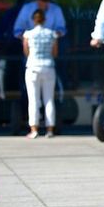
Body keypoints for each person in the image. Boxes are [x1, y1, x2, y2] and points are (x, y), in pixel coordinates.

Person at [22, 9, 58, 138]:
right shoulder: (51, 34)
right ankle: (49, 129)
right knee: (49, 99)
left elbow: (26, 51)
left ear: (33, 20)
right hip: (48, 66)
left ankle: (34, 129)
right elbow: (54, 52)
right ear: (45, 20)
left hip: (33, 67)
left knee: (33, 100)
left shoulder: (28, 34)